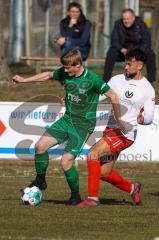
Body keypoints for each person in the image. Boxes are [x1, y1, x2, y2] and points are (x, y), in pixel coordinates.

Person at [13, 49, 121, 206]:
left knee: (65, 161)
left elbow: (113, 95)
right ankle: (40, 181)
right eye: (64, 67)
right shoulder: (66, 72)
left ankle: (75, 196)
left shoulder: (93, 79)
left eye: (68, 67)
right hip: (66, 120)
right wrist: (24, 80)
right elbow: (48, 75)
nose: (65, 70)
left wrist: (119, 119)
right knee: (40, 146)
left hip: (82, 126)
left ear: (77, 65)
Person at [78, 47, 155, 207]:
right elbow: (99, 96)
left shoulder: (147, 89)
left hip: (125, 134)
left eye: (129, 64)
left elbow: (149, 116)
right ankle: (132, 188)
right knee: (104, 172)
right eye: (125, 64)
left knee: (93, 154)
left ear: (139, 65)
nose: (126, 67)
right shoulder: (117, 79)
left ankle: (92, 198)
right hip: (111, 129)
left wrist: (143, 119)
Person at [103, 8, 156, 84]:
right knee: (111, 52)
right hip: (123, 53)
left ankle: (151, 82)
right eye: (124, 19)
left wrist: (136, 51)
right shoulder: (118, 24)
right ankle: (105, 82)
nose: (126, 21)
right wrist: (121, 49)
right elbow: (114, 40)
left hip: (137, 52)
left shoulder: (141, 25)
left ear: (133, 18)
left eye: (128, 19)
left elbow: (146, 42)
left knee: (150, 54)